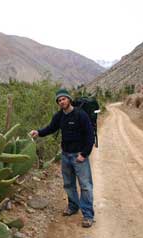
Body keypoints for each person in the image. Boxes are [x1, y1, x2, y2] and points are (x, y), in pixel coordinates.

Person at [29, 88, 95, 228]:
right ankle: (73, 206)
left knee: (85, 186)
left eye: (63, 99)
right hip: (65, 155)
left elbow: (90, 136)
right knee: (69, 184)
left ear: (69, 99)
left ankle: (88, 215)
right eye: (59, 100)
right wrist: (38, 132)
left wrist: (84, 154)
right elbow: (51, 128)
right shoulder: (59, 116)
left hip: (79, 156)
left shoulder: (81, 115)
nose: (61, 102)